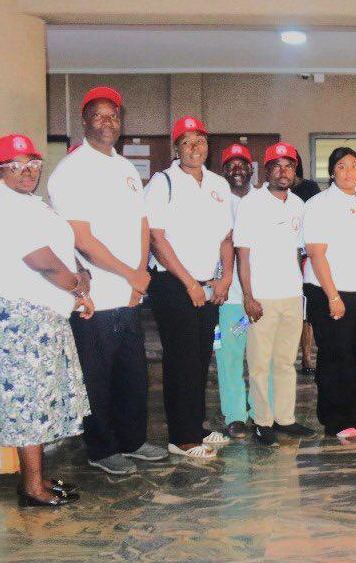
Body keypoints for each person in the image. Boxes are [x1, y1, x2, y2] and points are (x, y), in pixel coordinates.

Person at [48, 86, 168, 475]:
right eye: (99, 115)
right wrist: (131, 274)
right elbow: (81, 239)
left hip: (129, 294)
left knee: (132, 375)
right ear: (84, 121)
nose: (107, 122)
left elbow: (142, 223)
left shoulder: (125, 168)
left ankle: (132, 440)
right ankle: (101, 449)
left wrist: (139, 276)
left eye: (113, 115)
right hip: (95, 297)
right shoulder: (72, 170)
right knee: (96, 379)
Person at [0, 134, 92, 507]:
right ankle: (31, 487)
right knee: (29, 402)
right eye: (16, 166)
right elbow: (43, 262)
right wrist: (78, 286)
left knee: (42, 400)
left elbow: (61, 251)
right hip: (21, 319)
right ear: (0, 171)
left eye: (33, 164)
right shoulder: (5, 207)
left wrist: (79, 280)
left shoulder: (30, 203)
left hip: (43, 316)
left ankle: (36, 478)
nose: (28, 171)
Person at [144, 116, 234, 459]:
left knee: (199, 358)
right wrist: (189, 283)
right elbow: (157, 239)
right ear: (176, 149)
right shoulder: (163, 182)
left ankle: (196, 426)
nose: (195, 148)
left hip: (208, 284)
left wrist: (225, 278)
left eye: (200, 141)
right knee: (181, 360)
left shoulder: (217, 184)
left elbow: (226, 238)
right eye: (187, 142)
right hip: (173, 284)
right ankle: (182, 438)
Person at [233, 142, 318, 447]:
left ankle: (285, 418)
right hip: (262, 297)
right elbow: (242, 255)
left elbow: (299, 251)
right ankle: (262, 421)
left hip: (291, 294)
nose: (283, 172)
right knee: (259, 364)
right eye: (277, 166)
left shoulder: (298, 205)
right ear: (266, 171)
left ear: (295, 171)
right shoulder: (251, 204)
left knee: (285, 362)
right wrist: (248, 296)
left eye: (289, 166)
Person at [303, 147, 356, 439]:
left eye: (354, 165)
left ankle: (355, 410)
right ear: (332, 172)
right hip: (330, 291)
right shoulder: (319, 204)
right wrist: (333, 296)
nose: (349, 171)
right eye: (341, 166)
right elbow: (316, 253)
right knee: (334, 355)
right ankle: (334, 418)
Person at [215, 143, 263, 439]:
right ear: (223, 171)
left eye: (242, 164)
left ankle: (261, 413)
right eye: (231, 165)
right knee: (230, 357)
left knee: (262, 358)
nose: (237, 170)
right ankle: (235, 415)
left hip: (262, 296)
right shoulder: (216, 201)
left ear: (251, 169)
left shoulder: (263, 200)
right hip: (230, 299)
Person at [290, 154, 321, 376]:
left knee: (306, 310)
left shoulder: (310, 188)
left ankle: (307, 357)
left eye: (290, 164)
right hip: (282, 258)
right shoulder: (273, 191)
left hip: (305, 257)